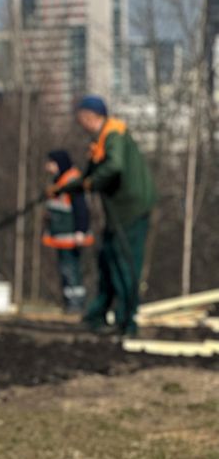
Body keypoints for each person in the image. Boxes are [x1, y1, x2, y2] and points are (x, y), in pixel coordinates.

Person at [54, 95, 154, 336]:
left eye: (81, 119)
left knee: (124, 263)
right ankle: (98, 314)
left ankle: (127, 321)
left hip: (130, 209)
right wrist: (65, 188)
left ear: (89, 116)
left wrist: (90, 184)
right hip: (119, 210)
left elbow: (113, 167)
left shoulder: (113, 135)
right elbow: (90, 174)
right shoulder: (101, 139)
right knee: (107, 259)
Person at [42, 149, 92, 313]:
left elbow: (81, 208)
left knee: (71, 270)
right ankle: (69, 302)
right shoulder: (59, 181)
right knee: (66, 270)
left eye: (51, 163)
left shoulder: (72, 182)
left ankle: (75, 304)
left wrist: (80, 231)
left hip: (71, 236)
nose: (48, 167)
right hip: (61, 235)